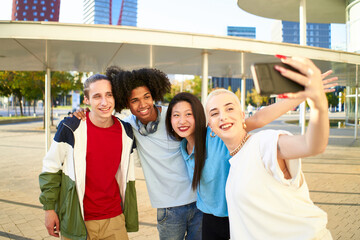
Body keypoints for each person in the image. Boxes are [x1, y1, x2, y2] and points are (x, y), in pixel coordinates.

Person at [165, 71, 336, 240]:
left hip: (236, 216)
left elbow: (260, 119)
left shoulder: (218, 134)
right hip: (210, 218)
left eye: (189, 114)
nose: (182, 121)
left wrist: (305, 96)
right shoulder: (182, 147)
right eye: (176, 115)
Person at [205, 57, 332, 239]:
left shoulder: (263, 143)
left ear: (242, 116)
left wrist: (318, 103)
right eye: (214, 113)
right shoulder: (234, 164)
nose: (223, 117)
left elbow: (312, 145)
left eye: (229, 109)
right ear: (211, 126)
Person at [74, 67, 202, 240]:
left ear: (154, 95)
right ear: (126, 103)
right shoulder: (127, 126)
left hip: (199, 201)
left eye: (147, 97)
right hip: (169, 208)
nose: (142, 104)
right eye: (134, 100)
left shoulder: (175, 116)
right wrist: (83, 113)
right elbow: (102, 121)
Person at [39, 74, 139, 240]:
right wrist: (49, 209)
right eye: (97, 96)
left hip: (114, 218)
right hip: (77, 218)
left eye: (109, 95)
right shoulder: (70, 128)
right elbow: (51, 168)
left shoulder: (126, 131)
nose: (104, 102)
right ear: (86, 100)